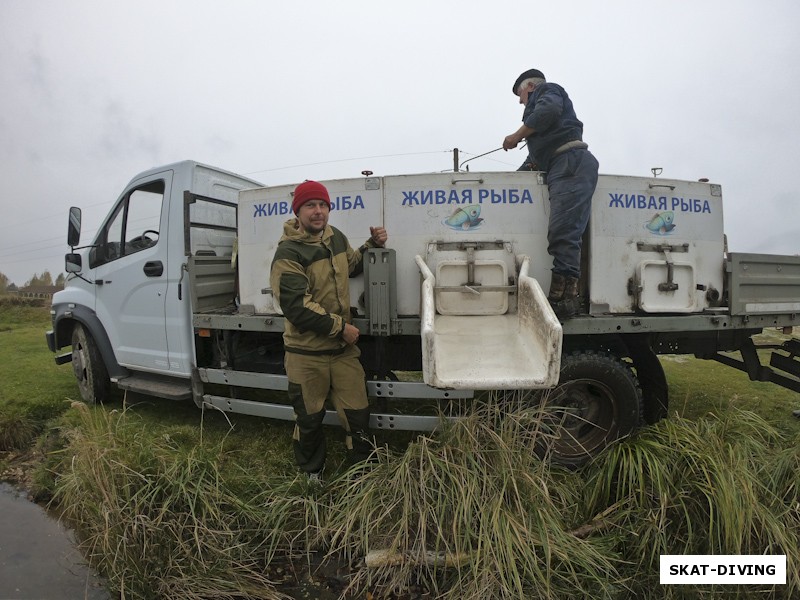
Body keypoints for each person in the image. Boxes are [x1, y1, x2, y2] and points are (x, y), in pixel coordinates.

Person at [270, 179, 388, 480]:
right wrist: (341, 329)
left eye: (323, 205)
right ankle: (312, 473)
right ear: (298, 211)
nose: (318, 211)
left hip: (341, 351)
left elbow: (351, 265)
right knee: (309, 419)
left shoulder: (336, 238)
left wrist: (372, 245)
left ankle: (362, 472)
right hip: (306, 354)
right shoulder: (288, 252)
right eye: (310, 205)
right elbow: (296, 307)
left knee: (359, 414)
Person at [502, 68, 599, 320]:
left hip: (570, 161)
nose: (519, 101)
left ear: (531, 87)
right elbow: (532, 162)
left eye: (520, 94)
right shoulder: (546, 136)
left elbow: (547, 111)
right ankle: (561, 295)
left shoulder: (548, 90)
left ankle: (564, 299)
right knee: (561, 231)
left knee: (564, 230)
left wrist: (516, 136)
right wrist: (508, 183)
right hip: (558, 162)